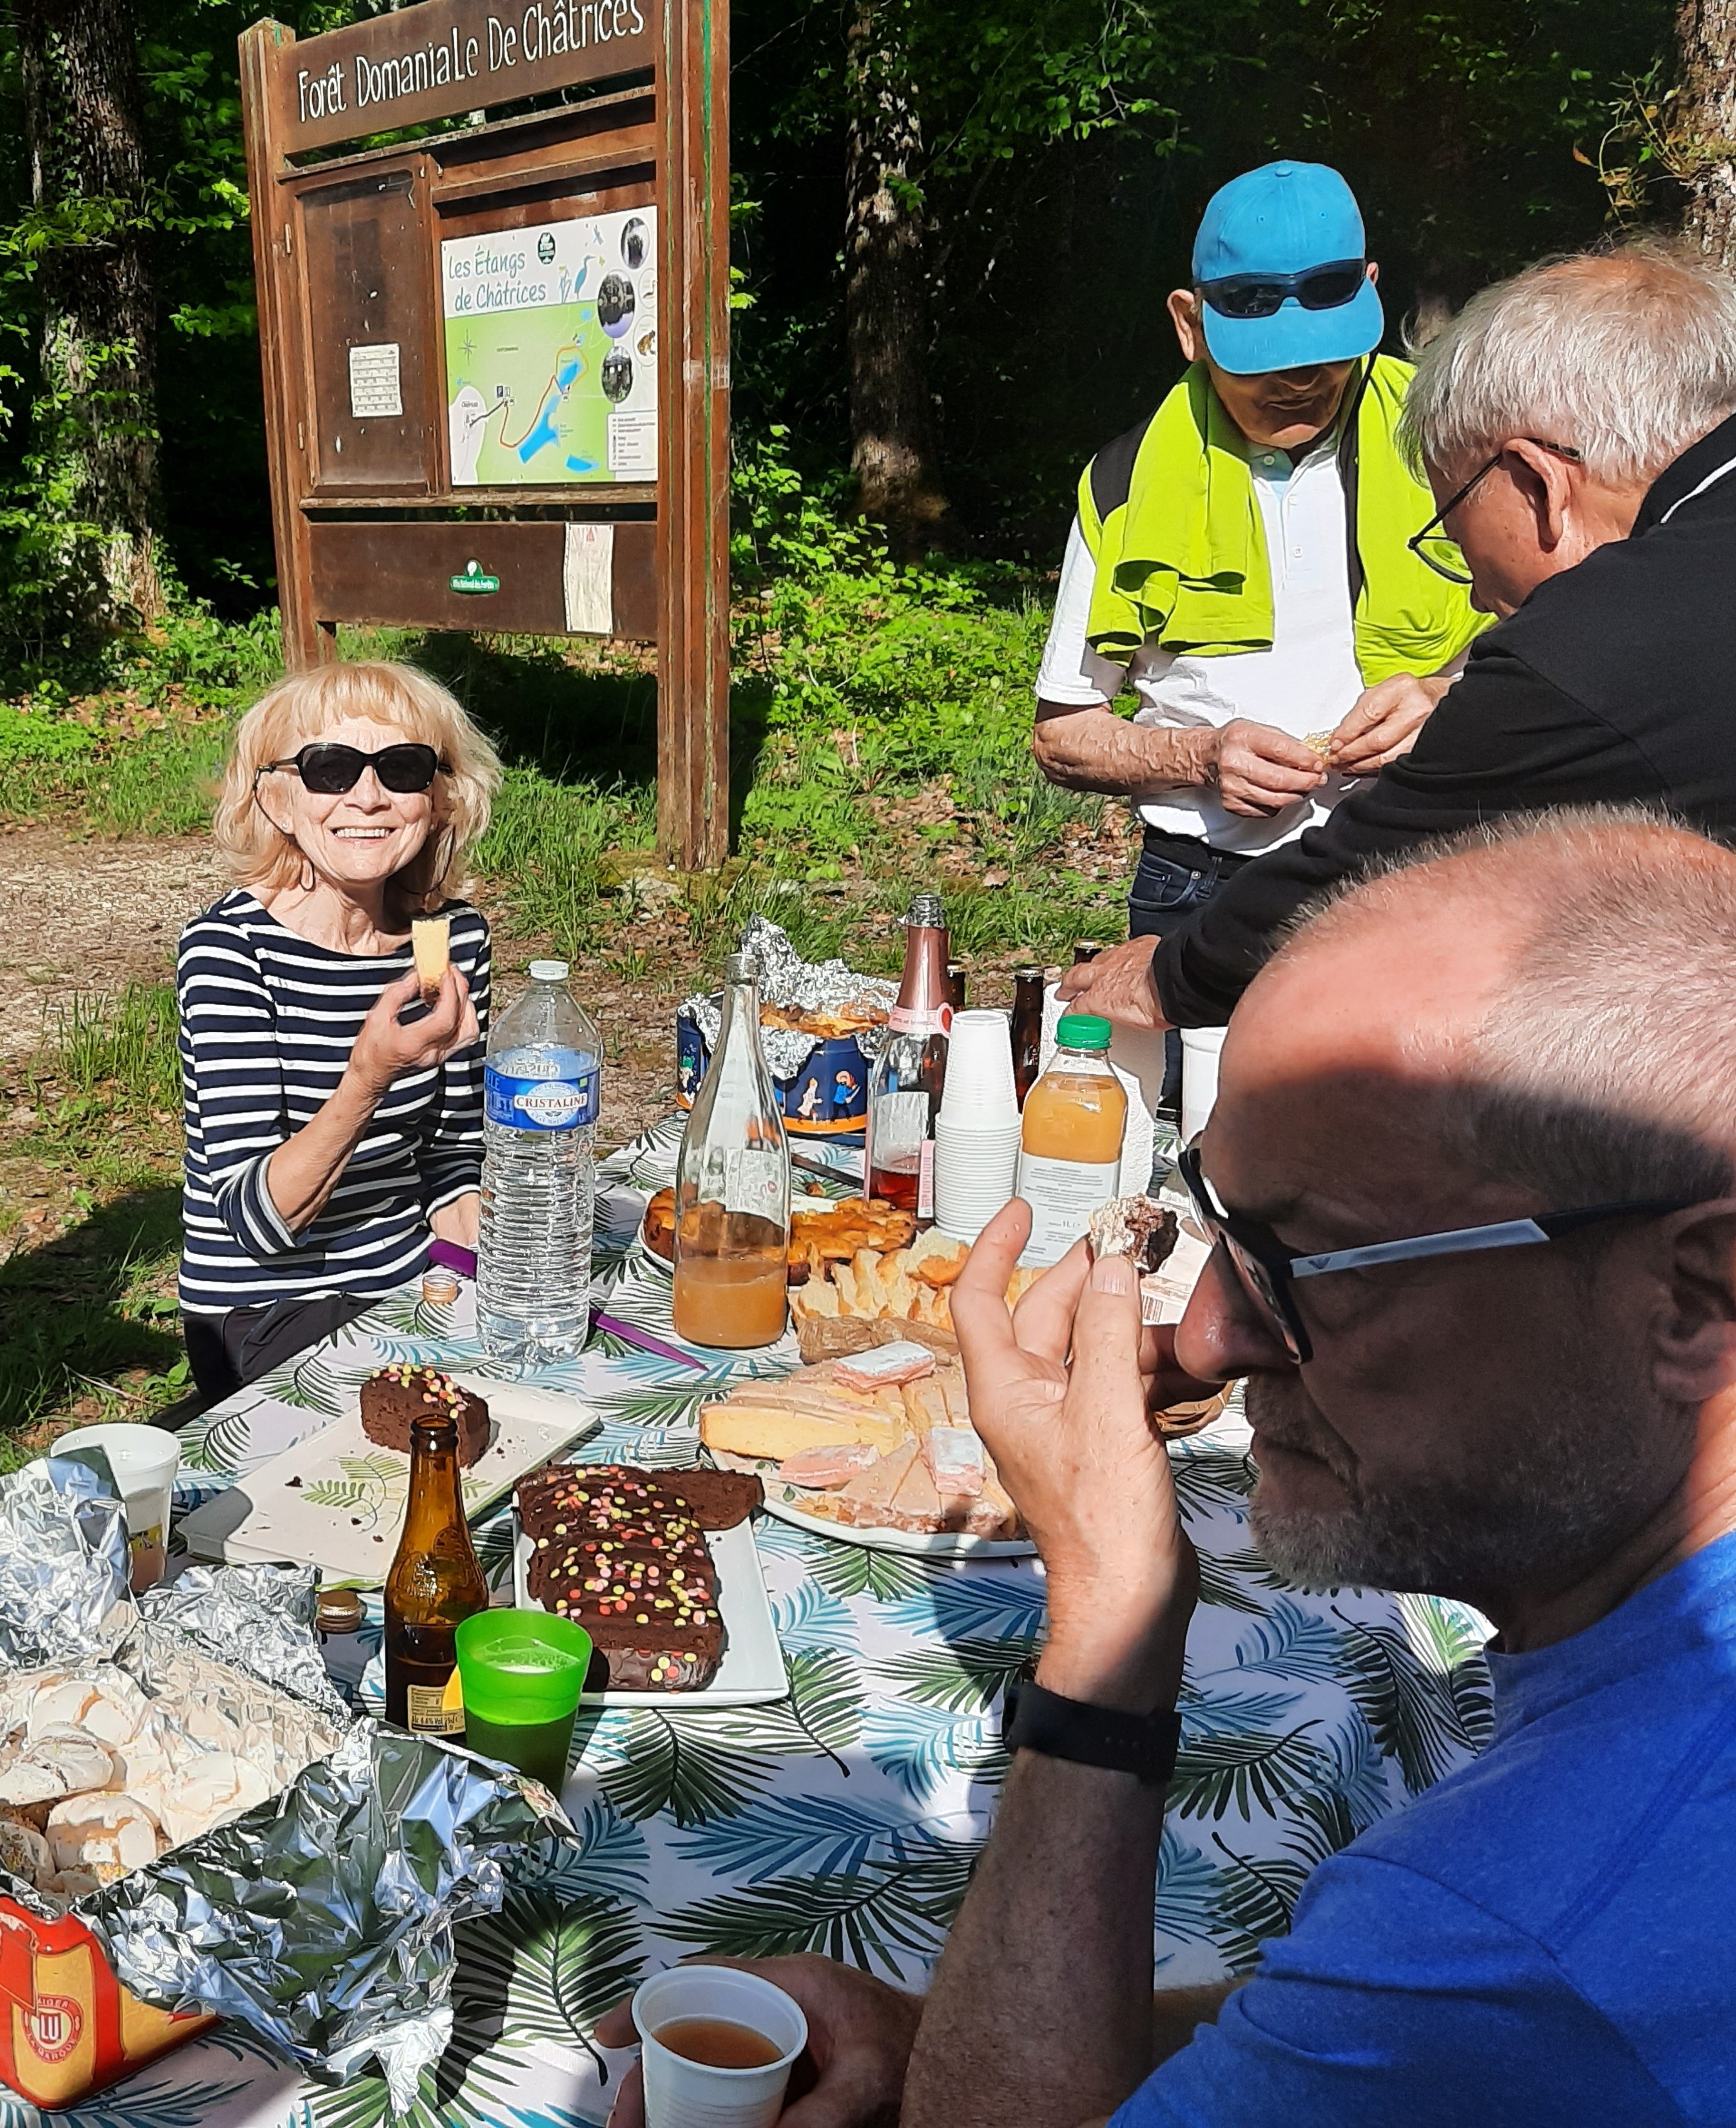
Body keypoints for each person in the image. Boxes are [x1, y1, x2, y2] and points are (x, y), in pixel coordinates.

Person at [599, 810, 1736, 2126]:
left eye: (1311, 1261)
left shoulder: (1535, 1905)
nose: (1208, 1336)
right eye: (1224, 1229)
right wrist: (947, 2031)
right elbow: (1379, 2036)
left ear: (1699, 1294)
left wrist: (1109, 1628)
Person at [1066, 238, 1736, 1038]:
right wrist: (1201, 757)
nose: (1486, 599)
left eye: (1456, 537)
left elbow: (1372, 866)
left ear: (1538, 483)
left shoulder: (1596, 642)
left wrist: (1168, 976)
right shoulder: (1125, 478)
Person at [1029, 160, 1481, 1126]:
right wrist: (1199, 757)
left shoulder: (1456, 441)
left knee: (1399, 1167)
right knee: (1195, 1160)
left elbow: (1575, 646)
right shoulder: (1121, 482)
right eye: (1259, 360)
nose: (1296, 384)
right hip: (1198, 893)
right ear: (1189, 325)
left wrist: (1448, 700)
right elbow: (1063, 729)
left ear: (1368, 292)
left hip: (1421, 869)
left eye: (1321, 357)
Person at [175, 661, 501, 1407]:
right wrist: (368, 1077)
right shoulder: (232, 952)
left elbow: (451, 1153)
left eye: (402, 767)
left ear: (441, 797)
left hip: (412, 1278)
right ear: (277, 799)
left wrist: (496, 1277)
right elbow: (257, 1223)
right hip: (269, 1305)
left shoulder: (450, 940)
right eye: (329, 769)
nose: (367, 796)